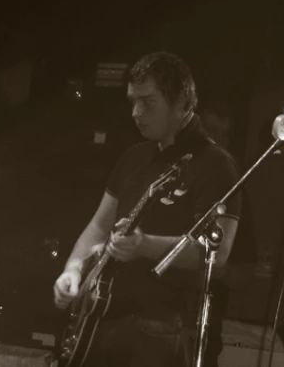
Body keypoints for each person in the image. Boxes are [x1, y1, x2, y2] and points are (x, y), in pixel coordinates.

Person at [53, 51, 241, 366]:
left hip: (160, 330)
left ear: (182, 102)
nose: (136, 112)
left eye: (148, 102)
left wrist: (145, 246)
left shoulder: (215, 165)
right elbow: (99, 227)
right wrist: (72, 270)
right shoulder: (133, 157)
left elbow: (216, 253)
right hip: (102, 318)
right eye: (132, 102)